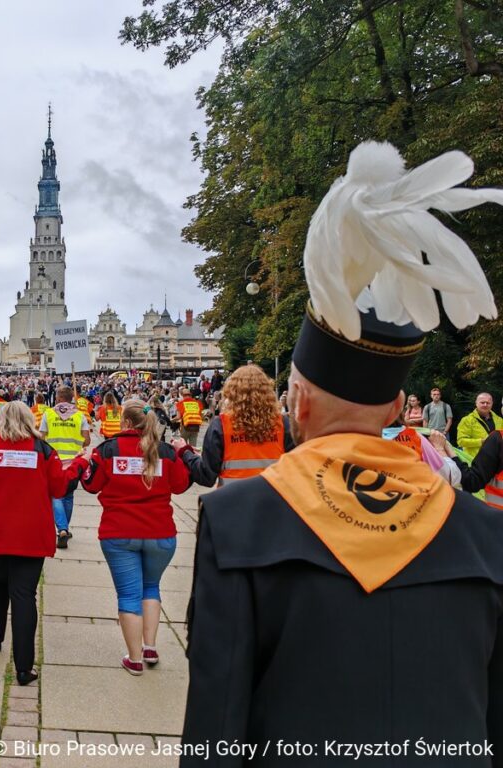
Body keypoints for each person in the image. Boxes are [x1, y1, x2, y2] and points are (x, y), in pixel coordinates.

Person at [181, 142, 503, 763]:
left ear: (296, 403)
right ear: (394, 409)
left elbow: (217, 724)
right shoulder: (485, 537)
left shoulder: (239, 522)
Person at [0, 401, 86, 686]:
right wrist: (78, 463)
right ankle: (24, 667)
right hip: (30, 534)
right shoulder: (43, 451)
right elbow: (60, 486)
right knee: (24, 596)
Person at [79, 398, 190, 675]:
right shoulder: (164, 451)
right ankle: (150, 646)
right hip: (160, 532)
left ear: (126, 422)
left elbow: (91, 485)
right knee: (151, 588)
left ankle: (134, 657)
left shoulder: (108, 449)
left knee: (129, 596)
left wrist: (83, 464)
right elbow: (180, 485)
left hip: (120, 532)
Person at [175, 365, 292, 488]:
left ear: (231, 392)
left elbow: (206, 476)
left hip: (232, 501)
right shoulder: (283, 424)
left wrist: (185, 452)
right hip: (274, 501)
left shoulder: (221, 425)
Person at [38, 385, 90, 549]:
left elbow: (42, 436)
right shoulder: (79, 415)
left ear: (59, 398)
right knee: (68, 495)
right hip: (74, 461)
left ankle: (62, 529)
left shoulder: (49, 413)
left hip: (54, 460)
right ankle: (64, 527)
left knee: (56, 495)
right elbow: (87, 440)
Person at [456, 391, 502, 457]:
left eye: (488, 403)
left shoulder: (499, 420)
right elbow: (461, 441)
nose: (485, 405)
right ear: (476, 403)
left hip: (496, 460)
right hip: (476, 461)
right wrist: (481, 442)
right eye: (482, 402)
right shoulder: (466, 420)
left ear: (492, 404)